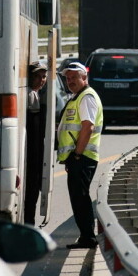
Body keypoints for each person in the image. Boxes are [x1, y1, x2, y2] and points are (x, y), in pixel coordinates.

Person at [56, 62, 103, 249]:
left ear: (84, 78)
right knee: (78, 197)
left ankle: (88, 237)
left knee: (80, 197)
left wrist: (77, 155)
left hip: (83, 157)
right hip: (78, 157)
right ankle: (86, 236)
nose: (70, 81)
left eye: (75, 77)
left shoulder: (87, 97)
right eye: (68, 78)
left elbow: (88, 126)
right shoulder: (78, 97)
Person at [23, 60, 48, 226]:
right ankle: (28, 222)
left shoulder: (36, 94)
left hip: (37, 151)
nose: (41, 80)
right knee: (31, 187)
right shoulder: (29, 95)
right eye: (37, 76)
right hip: (30, 152)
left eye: (44, 76)